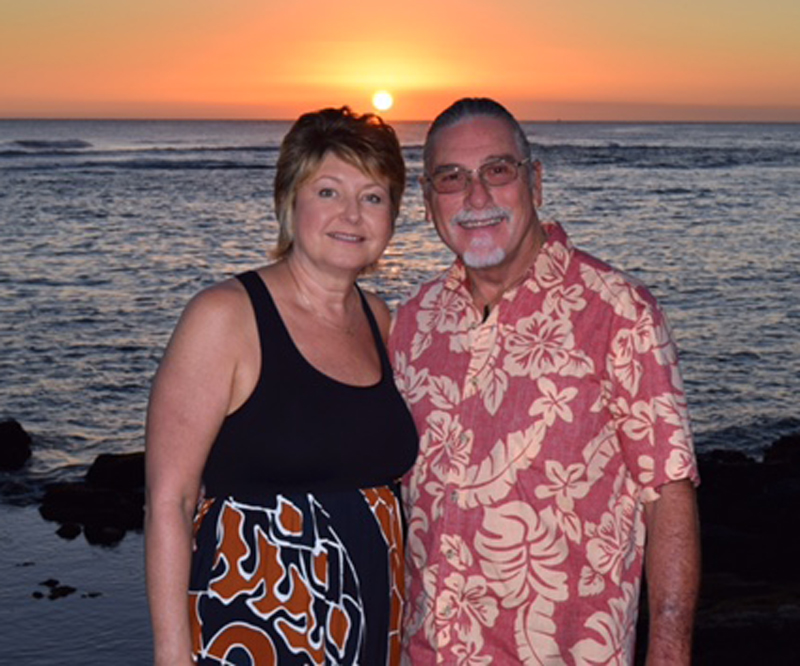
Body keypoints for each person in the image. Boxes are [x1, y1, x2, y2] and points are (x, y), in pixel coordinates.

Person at [389, 98, 700, 665]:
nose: (476, 198)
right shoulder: (412, 323)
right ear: (429, 200)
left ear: (535, 181)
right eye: (451, 178)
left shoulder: (617, 312)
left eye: (497, 171)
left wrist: (670, 649)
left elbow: (668, 494)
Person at [145, 106, 419, 666]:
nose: (352, 214)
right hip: (255, 623)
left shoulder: (381, 320)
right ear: (290, 201)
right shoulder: (225, 317)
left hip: (372, 622)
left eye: (373, 196)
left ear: (392, 216)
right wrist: (172, 655)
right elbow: (168, 502)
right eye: (328, 192)